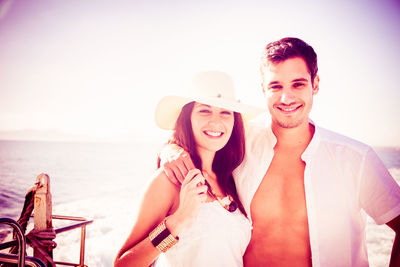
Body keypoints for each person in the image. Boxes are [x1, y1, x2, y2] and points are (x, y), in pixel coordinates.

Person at [160, 38, 400, 267]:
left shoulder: (354, 159)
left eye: (298, 84)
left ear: (315, 84)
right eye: (276, 86)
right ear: (263, 89)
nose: (287, 97)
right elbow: (200, 136)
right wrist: (171, 149)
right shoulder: (240, 142)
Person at [114, 71, 264, 267]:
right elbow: (123, 264)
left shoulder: (230, 179)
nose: (216, 121)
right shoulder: (169, 180)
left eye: (225, 112)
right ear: (188, 117)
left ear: (234, 121)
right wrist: (178, 220)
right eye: (204, 110)